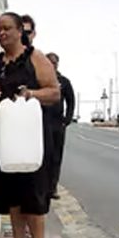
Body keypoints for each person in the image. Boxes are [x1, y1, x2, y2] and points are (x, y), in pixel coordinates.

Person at [0, 12, 60, 238]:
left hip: (30, 138)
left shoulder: (35, 58)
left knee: (34, 196)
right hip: (2, 141)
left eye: (7, 29)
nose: (2, 33)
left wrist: (31, 94)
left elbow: (54, 92)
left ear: (19, 31)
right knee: (11, 196)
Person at [46, 52, 75, 200]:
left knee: (56, 157)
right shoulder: (40, 80)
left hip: (58, 124)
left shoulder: (64, 81)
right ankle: (43, 187)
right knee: (45, 156)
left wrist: (67, 119)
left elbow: (71, 100)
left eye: (54, 63)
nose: (52, 65)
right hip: (44, 123)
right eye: (49, 62)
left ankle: (53, 187)